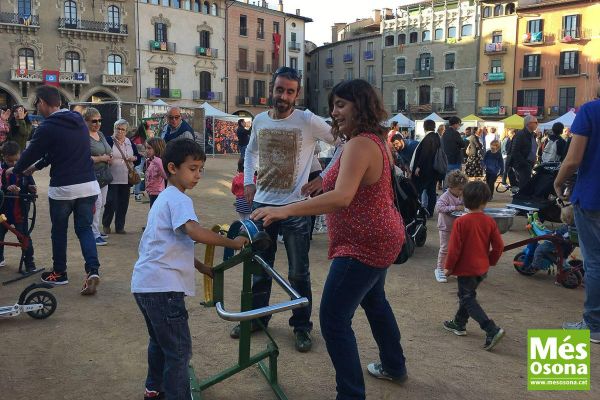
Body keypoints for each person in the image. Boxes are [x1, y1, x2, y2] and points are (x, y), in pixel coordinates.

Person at [252, 79, 408, 399]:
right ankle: (394, 365)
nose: (334, 112)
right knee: (375, 301)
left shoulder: (360, 143)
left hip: (364, 244)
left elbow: (342, 197)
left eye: (341, 105)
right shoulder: (366, 140)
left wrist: (284, 210)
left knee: (334, 319)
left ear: (359, 106)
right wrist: (320, 180)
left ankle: (351, 394)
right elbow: (347, 178)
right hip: (381, 237)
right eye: (333, 105)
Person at [132, 139, 249, 400]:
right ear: (172, 168)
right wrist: (233, 242)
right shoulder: (179, 199)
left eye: (201, 169)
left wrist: (201, 267)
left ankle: (154, 388)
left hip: (145, 285)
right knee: (179, 351)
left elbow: (170, 244)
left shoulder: (163, 198)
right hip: (164, 290)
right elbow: (194, 232)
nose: (198, 175)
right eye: (193, 169)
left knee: (160, 343)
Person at [237, 66, 335, 352]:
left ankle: (301, 326)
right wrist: (247, 181)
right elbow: (250, 151)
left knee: (298, 273)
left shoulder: (307, 120)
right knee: (259, 269)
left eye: (290, 91)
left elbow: (343, 143)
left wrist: (324, 178)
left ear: (297, 93)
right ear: (272, 88)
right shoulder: (259, 120)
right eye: (279, 89)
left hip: (296, 210)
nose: (283, 96)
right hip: (262, 205)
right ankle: (257, 319)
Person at [7, 85, 101, 294]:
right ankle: (92, 270)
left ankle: (59, 273)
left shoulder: (47, 127)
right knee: (84, 229)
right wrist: (36, 167)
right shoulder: (77, 120)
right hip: (88, 185)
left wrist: (18, 169)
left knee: (59, 231)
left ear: (42, 102)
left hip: (64, 189)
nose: (36, 108)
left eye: (36, 104)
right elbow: (57, 152)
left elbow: (31, 152)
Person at [554, 93, 600, 344]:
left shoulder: (590, 111)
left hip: (593, 197)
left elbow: (573, 160)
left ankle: (594, 325)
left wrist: (559, 182)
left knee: (595, 263)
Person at [442, 181, 505, 351]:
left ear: (463, 199)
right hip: (481, 268)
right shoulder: (490, 222)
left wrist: (448, 268)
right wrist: (490, 260)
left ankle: (491, 328)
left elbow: (454, 249)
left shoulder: (461, 222)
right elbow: (499, 246)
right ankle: (459, 323)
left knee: (467, 298)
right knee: (468, 295)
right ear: (485, 201)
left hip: (466, 269)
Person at [0, 141, 37, 271]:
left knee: (24, 237)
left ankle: (29, 263)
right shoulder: (1, 170)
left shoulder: (25, 169)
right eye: (10, 161)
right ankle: (0, 258)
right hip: (3, 211)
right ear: (3, 157)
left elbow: (29, 184)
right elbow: (1, 187)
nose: (14, 164)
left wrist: (31, 188)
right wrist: (6, 188)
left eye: (16, 161)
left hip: (20, 210)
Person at [102, 119, 141, 235]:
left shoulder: (129, 142)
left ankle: (120, 227)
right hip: (111, 177)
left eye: (122, 129)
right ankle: (106, 224)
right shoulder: (108, 140)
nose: (119, 131)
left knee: (123, 204)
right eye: (117, 128)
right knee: (111, 202)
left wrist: (134, 158)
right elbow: (101, 154)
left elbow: (138, 158)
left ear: (126, 131)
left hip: (126, 178)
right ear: (114, 129)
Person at [84, 107, 112, 247]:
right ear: (86, 121)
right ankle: (93, 233)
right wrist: (102, 158)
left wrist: (108, 157)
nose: (98, 123)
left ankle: (95, 229)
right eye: (94, 121)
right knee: (96, 203)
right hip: (91, 174)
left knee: (102, 203)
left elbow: (108, 149)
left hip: (104, 174)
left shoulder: (100, 134)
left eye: (100, 120)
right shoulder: (83, 136)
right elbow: (83, 157)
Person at [434, 170, 467, 283]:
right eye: (459, 189)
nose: (461, 192)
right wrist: (454, 207)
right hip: (445, 227)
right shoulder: (445, 196)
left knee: (457, 249)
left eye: (463, 189)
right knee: (445, 249)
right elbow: (439, 208)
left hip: (457, 228)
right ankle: (439, 269)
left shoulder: (461, 196)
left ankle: (453, 268)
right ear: (451, 186)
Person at [411, 119, 442, 216]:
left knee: (418, 191)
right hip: (433, 170)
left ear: (424, 127)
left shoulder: (429, 138)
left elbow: (425, 153)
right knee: (431, 192)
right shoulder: (436, 137)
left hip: (425, 171)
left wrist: (418, 166)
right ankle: (430, 211)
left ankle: (419, 211)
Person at [511, 115, 538, 189]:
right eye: (535, 122)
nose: (537, 124)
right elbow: (515, 151)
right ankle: (521, 198)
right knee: (523, 185)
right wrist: (525, 163)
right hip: (522, 165)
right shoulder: (520, 135)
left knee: (526, 184)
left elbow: (531, 148)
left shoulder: (532, 135)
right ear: (529, 124)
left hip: (528, 164)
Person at [143, 137, 167, 207]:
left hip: (158, 193)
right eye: (146, 148)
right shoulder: (150, 161)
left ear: (157, 148)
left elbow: (165, 176)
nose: (146, 150)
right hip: (150, 192)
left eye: (149, 148)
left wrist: (158, 163)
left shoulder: (159, 161)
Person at [131, 122, 149, 202]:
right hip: (139, 160)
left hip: (142, 160)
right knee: (139, 176)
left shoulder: (142, 138)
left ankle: (136, 191)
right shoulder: (137, 139)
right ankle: (137, 193)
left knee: (140, 176)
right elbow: (133, 150)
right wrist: (142, 153)